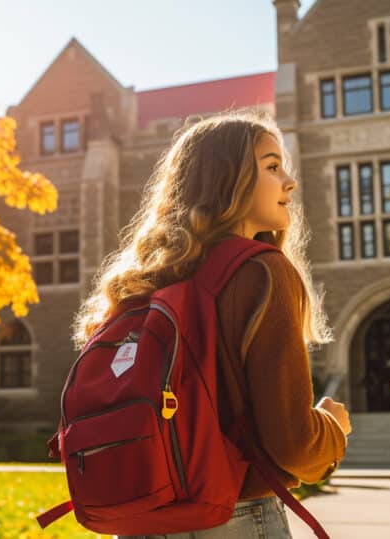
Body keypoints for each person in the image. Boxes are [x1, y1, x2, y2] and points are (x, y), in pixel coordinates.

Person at [72, 110, 352, 539]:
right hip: (233, 518)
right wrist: (332, 429)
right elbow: (293, 443)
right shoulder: (263, 272)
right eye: (273, 167)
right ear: (230, 179)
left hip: (142, 520)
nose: (289, 183)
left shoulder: (147, 279)